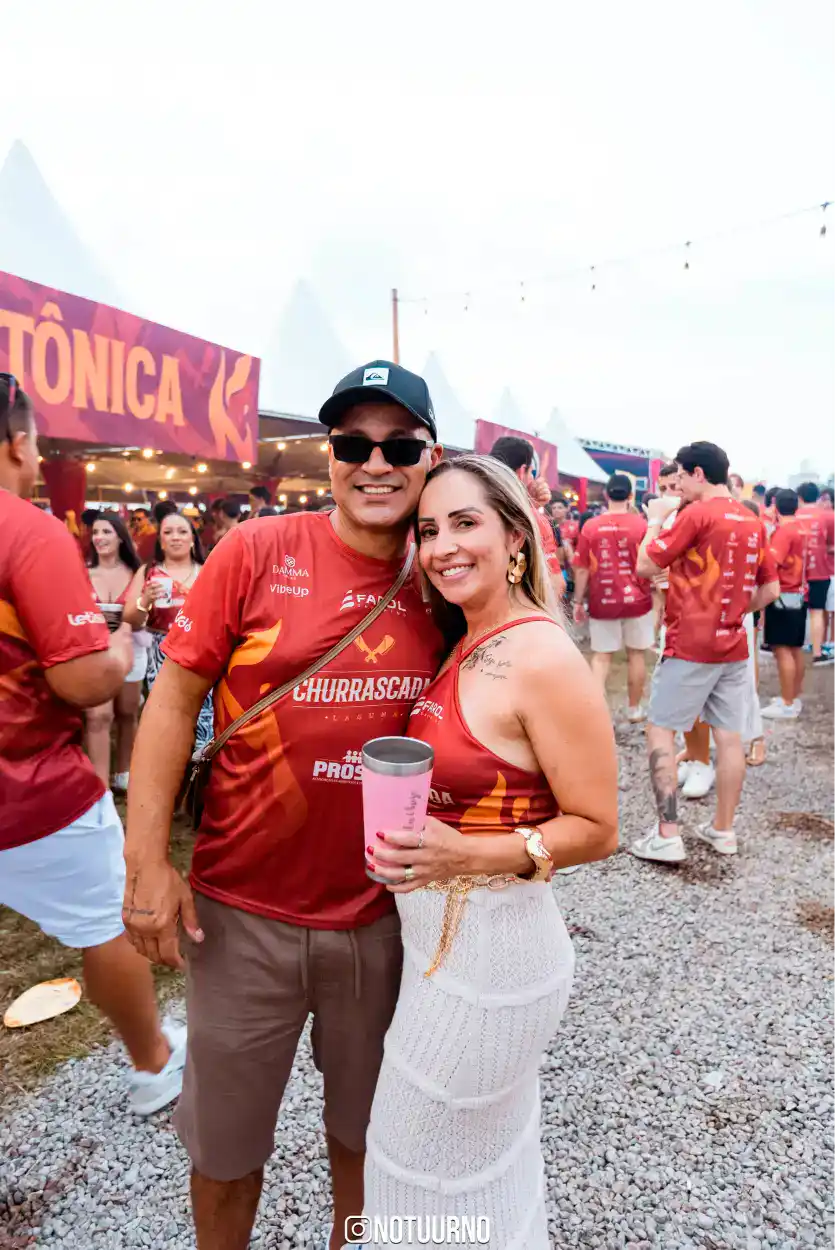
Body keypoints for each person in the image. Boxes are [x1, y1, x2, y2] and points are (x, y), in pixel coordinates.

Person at [122, 360, 446, 1250]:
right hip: (241, 914)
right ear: (327, 454)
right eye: (352, 444)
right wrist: (146, 864)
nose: (374, 464)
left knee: (368, 1142)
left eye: (399, 446)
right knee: (225, 1154)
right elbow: (172, 700)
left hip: (385, 918)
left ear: (431, 457)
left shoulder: (446, 575)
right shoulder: (257, 550)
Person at [364, 454, 618, 1248]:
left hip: (492, 963)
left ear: (514, 535)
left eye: (464, 523)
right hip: (440, 951)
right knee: (481, 1166)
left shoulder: (540, 657)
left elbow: (598, 826)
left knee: (411, 1175)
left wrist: (463, 858)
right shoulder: (466, 636)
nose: (442, 546)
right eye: (428, 529)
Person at [0, 375, 185, 1115]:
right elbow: (81, 681)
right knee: (107, 920)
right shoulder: (28, 529)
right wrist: (121, 640)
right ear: (19, 444)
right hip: (29, 789)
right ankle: (153, 1064)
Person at [632, 442, 779, 863]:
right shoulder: (752, 519)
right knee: (729, 736)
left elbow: (646, 565)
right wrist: (734, 612)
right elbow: (771, 589)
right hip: (731, 644)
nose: (677, 485)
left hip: (689, 643)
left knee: (661, 730)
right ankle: (723, 830)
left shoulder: (696, 514)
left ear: (698, 473)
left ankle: (667, 834)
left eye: (681, 476)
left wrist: (654, 521)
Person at [123, 512, 214, 754]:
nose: (175, 537)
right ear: (161, 541)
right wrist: (145, 600)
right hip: (161, 654)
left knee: (204, 717)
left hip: (200, 653)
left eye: (182, 532)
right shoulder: (148, 572)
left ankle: (200, 768)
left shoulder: (208, 571)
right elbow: (130, 620)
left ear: (193, 539)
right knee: (166, 719)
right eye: (168, 532)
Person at [571, 473, 654, 721]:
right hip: (638, 600)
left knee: (601, 657)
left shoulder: (591, 526)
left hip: (602, 600)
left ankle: (596, 715)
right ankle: (634, 709)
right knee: (636, 654)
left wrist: (578, 601)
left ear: (606, 494)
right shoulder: (642, 526)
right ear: (631, 495)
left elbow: (581, 568)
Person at [85, 513, 148, 791]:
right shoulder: (83, 573)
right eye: (95, 532)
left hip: (131, 648)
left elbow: (141, 616)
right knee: (98, 716)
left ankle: (123, 773)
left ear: (121, 537)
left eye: (106, 532)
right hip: (95, 652)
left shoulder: (136, 573)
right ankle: (99, 786)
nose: (99, 538)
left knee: (127, 712)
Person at [488, 435, 565, 598]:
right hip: (513, 607)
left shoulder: (473, 505)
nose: (533, 479)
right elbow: (555, 586)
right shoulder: (529, 520)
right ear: (522, 471)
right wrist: (532, 513)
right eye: (531, 472)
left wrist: (531, 504)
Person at [761, 489, 809, 719]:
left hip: (783, 595)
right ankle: (793, 697)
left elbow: (773, 562)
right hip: (799, 593)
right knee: (795, 649)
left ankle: (787, 703)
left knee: (782, 650)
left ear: (775, 506)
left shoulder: (784, 532)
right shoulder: (801, 529)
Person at [796, 482, 835, 667]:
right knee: (817, 612)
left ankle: (794, 649)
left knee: (797, 611)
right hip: (819, 571)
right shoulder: (827, 516)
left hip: (795, 573)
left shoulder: (794, 515)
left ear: (800, 498)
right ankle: (817, 653)